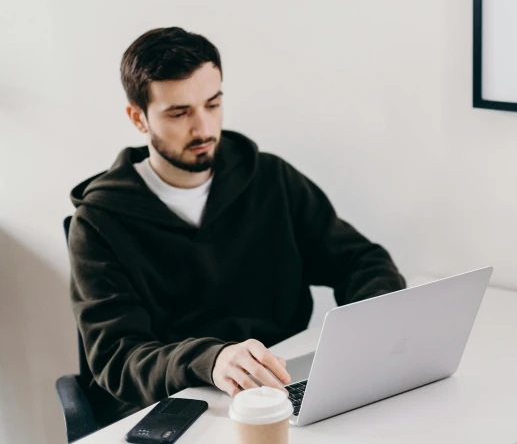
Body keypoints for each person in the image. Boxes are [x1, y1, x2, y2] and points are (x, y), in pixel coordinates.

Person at [68, 27, 406, 425]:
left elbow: (363, 261)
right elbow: (118, 357)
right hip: (177, 405)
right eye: (179, 113)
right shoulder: (99, 222)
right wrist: (211, 360)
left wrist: (369, 329)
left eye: (213, 104)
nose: (204, 128)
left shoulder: (271, 180)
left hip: (279, 390)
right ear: (138, 118)